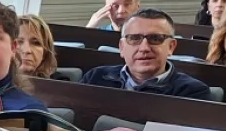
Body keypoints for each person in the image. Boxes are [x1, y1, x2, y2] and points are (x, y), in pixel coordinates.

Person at [80, 8, 212, 100]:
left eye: (155, 39)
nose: (144, 48)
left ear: (171, 47)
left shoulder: (192, 92)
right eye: (134, 38)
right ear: (122, 47)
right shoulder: (96, 78)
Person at [16, 14, 58, 78]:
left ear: (45, 53)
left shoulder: (60, 83)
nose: (26, 50)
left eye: (36, 43)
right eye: (19, 42)